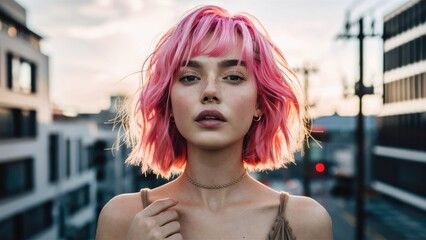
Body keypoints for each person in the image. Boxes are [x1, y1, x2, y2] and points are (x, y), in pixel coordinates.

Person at [96, 5, 332, 240]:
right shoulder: (122, 218)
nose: (210, 92)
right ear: (168, 102)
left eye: (233, 77)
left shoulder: (306, 222)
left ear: (260, 102)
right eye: (189, 77)